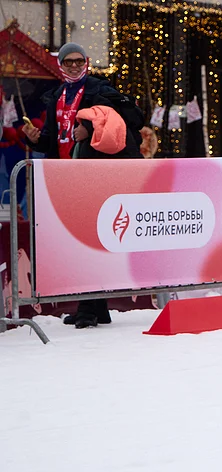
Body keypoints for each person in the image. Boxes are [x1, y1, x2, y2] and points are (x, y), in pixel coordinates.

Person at [22, 43, 144, 328]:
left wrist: (90, 128)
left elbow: (131, 120)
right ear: (60, 65)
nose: (74, 66)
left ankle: (88, 309)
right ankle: (96, 308)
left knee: (90, 240)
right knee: (80, 240)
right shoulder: (56, 96)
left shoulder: (99, 89)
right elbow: (53, 140)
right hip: (65, 176)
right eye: (68, 62)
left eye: (79, 61)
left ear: (87, 62)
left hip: (93, 173)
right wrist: (33, 137)